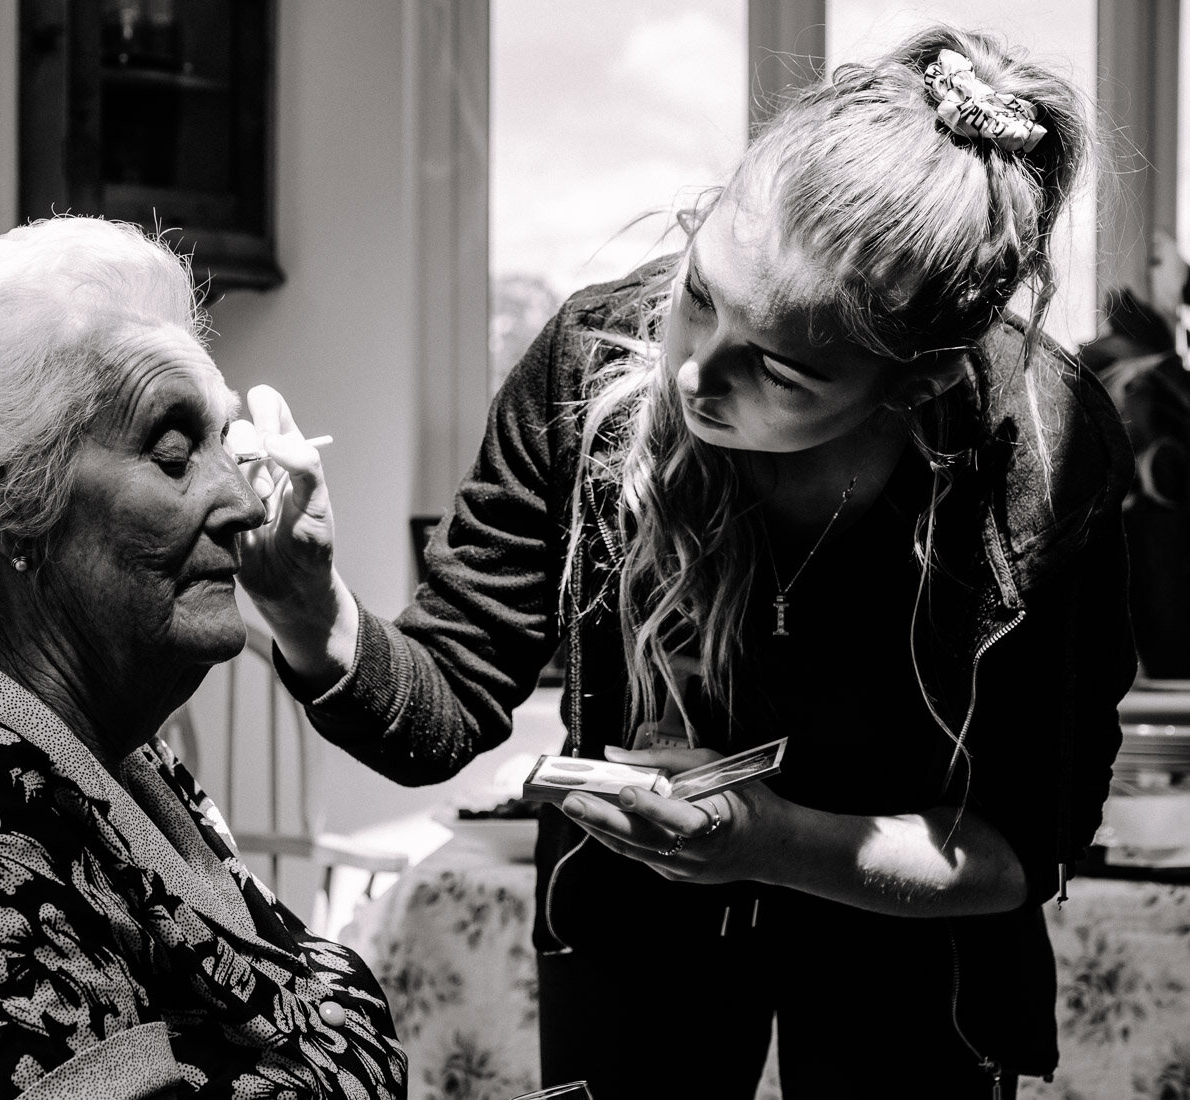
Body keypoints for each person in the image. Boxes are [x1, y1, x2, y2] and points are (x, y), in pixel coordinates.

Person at [233, 27, 1132, 1099]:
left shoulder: (1041, 451)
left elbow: (1024, 845)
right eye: (701, 293)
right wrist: (306, 604)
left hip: (917, 970)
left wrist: (773, 841)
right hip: (635, 957)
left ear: (914, 386)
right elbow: (445, 709)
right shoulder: (588, 358)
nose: (696, 373)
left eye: (783, 371)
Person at [0, 218, 408, 1099]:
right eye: (175, 454)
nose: (245, 502)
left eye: (230, 451)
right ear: (12, 504)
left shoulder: (118, 756)